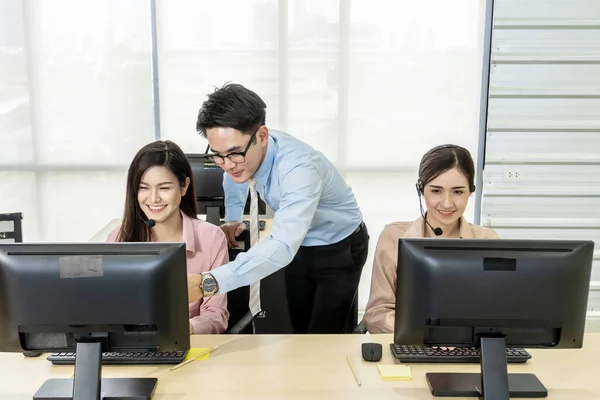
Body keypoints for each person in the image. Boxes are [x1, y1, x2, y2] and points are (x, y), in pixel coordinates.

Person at [189, 83, 369, 334]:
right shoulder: (242, 158)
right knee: (298, 328)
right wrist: (232, 218)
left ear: (262, 135)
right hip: (300, 245)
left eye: (233, 153)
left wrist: (210, 282)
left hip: (339, 246)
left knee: (325, 337)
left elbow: (283, 246)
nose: (227, 164)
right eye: (217, 155)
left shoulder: (299, 169)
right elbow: (234, 177)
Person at [363, 144, 499, 334]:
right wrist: (429, 333)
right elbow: (377, 314)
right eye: (436, 191)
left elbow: (493, 311)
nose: (447, 203)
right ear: (421, 190)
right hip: (410, 342)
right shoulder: (394, 237)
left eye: (458, 191)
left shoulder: (487, 240)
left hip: (466, 347)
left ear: (470, 191)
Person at [107, 140, 229, 335]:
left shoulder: (211, 238)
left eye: (164, 188)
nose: (153, 198)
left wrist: (180, 330)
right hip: (131, 348)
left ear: (184, 187)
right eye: (143, 188)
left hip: (186, 346)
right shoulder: (119, 238)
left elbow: (216, 314)